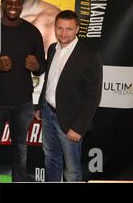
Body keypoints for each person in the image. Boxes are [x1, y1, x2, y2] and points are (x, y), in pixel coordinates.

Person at [0, 0, 46, 182]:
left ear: (21, 5)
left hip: (23, 102)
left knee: (20, 145)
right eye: (9, 2)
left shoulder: (32, 31)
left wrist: (37, 66)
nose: (13, 6)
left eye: (17, 3)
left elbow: (41, 66)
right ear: (2, 4)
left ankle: (19, 179)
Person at [34, 10, 103, 182]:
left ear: (77, 29)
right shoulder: (52, 49)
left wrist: (79, 127)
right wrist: (40, 106)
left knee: (72, 170)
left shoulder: (90, 55)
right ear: (55, 28)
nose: (63, 33)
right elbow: (49, 80)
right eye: (60, 28)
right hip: (48, 114)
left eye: (69, 29)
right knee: (51, 158)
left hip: (71, 121)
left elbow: (93, 96)